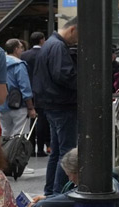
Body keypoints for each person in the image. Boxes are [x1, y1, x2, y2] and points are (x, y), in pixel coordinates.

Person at [33, 16, 78, 196]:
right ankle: (59, 193)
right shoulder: (58, 46)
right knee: (65, 152)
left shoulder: (50, 44)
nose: (77, 41)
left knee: (56, 152)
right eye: (78, 36)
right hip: (62, 104)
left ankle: (51, 191)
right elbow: (64, 75)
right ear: (73, 29)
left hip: (51, 105)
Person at [0, 39, 36, 137]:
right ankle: (16, 153)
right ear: (16, 49)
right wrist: (31, 108)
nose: (22, 50)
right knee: (18, 137)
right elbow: (25, 88)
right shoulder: (19, 65)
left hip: (2, 106)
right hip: (18, 106)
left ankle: (6, 152)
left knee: (5, 135)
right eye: (21, 47)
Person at [20, 31, 49, 157]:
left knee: (29, 121)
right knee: (41, 120)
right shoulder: (46, 53)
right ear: (42, 40)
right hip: (42, 91)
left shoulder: (24, 55)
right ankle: (41, 148)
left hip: (27, 90)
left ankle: (30, 148)